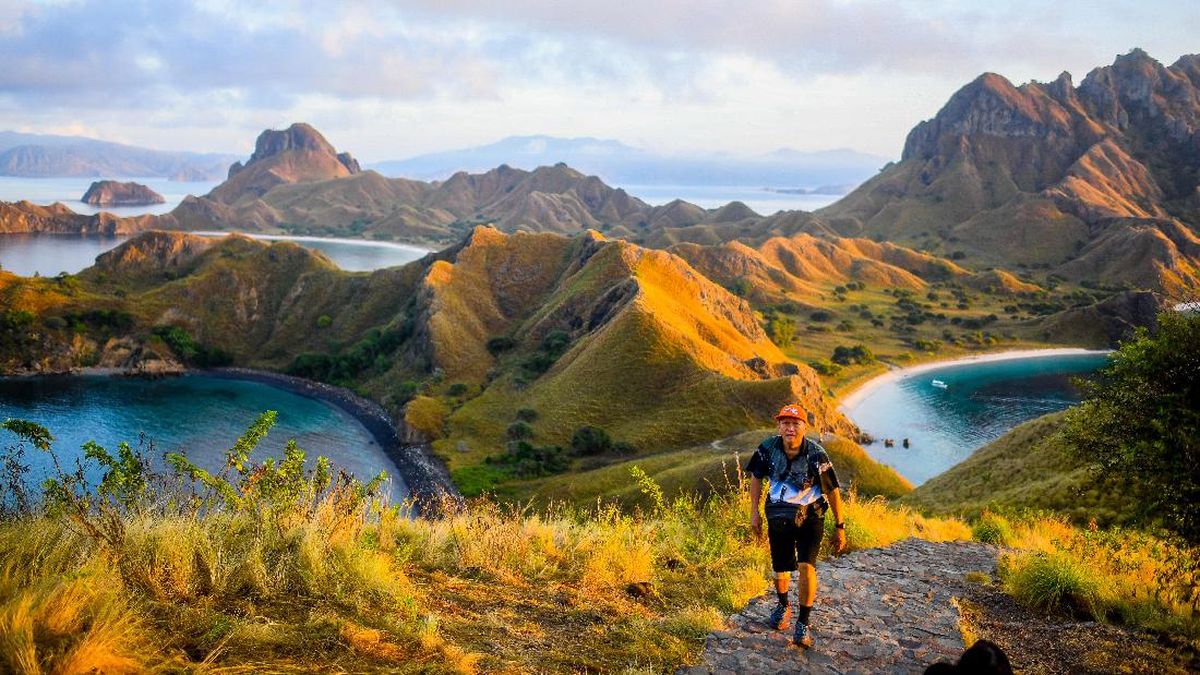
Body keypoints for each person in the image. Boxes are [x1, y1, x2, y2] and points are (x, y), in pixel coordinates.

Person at [746, 403, 847, 649]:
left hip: (810, 516)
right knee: (780, 568)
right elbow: (756, 478)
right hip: (778, 515)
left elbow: (833, 491)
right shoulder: (767, 448)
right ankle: (783, 604)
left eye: (795, 423)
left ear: (804, 426)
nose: (790, 428)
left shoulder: (816, 454)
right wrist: (754, 514)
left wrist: (840, 525)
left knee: (806, 567)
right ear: (779, 425)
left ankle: (803, 623)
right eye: (785, 423)